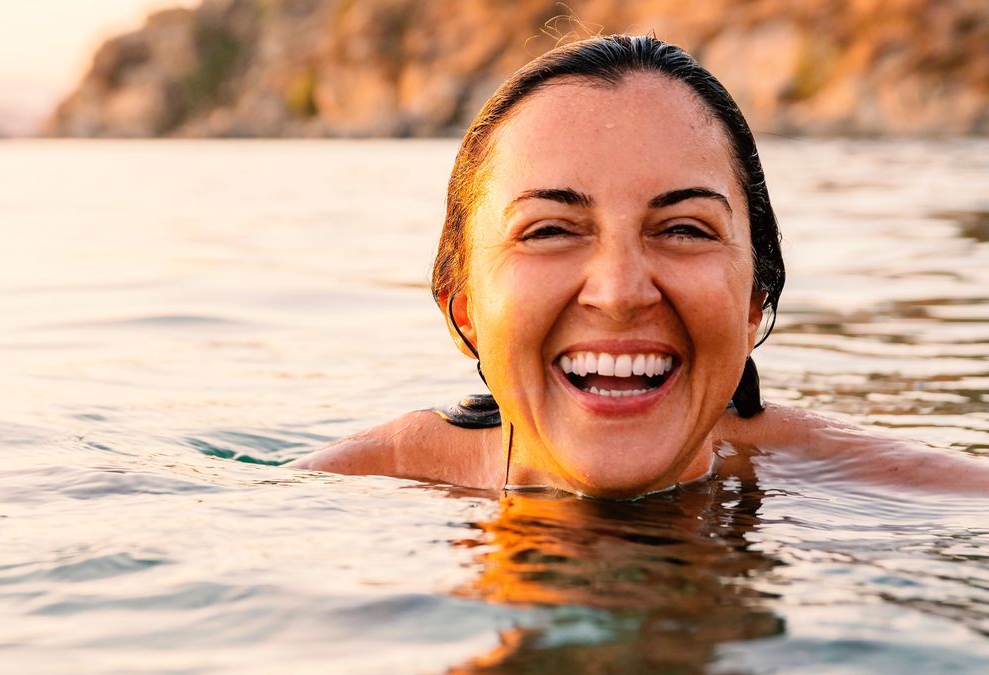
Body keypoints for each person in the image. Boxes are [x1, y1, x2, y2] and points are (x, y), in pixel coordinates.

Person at [289, 35, 988, 499]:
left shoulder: (921, 498)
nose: (620, 291)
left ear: (754, 301)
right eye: (551, 230)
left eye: (684, 229)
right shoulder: (344, 500)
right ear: (463, 305)